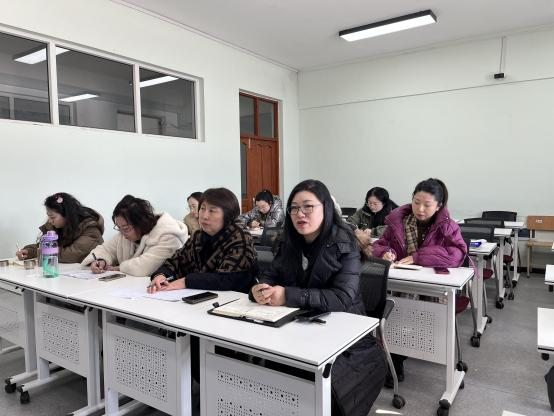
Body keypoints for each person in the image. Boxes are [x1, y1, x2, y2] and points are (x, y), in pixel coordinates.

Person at [250, 179, 386, 416]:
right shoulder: (288, 240)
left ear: (326, 208)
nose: (299, 214)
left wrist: (287, 295)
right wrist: (260, 289)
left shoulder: (345, 243)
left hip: (343, 333)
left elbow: (342, 298)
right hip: (297, 326)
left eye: (308, 207)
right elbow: (270, 274)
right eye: (294, 208)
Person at [372, 178, 467, 386]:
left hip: (433, 288)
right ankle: (395, 359)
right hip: (401, 285)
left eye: (427, 205)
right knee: (395, 312)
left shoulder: (448, 226)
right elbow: (379, 245)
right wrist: (386, 252)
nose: (420, 209)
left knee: (419, 314)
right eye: (416, 202)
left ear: (439, 206)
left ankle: (414, 353)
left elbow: (457, 254)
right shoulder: (398, 222)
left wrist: (419, 257)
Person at [148, 187, 257, 294]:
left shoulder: (240, 237)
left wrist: (186, 281)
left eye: (212, 211)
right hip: (198, 296)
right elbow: (176, 261)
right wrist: (162, 275)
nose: (204, 216)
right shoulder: (198, 236)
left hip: (235, 299)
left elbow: (228, 279)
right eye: (202, 208)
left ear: (228, 215)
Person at [81, 195, 188, 276]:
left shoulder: (168, 236)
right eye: (119, 228)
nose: (122, 233)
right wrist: (101, 261)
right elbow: (106, 249)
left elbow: (145, 267)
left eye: (125, 228)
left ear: (141, 223)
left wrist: (120, 268)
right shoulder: (126, 233)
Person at [17, 192, 104, 263]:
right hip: (65, 271)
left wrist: (42, 252)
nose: (50, 221)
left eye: (53, 217)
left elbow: (72, 254)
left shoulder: (91, 229)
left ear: (67, 215)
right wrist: (29, 252)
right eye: (48, 216)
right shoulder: (56, 226)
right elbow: (46, 246)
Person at [348, 187, 398, 257]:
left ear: (383, 203)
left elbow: (392, 228)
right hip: (365, 247)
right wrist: (357, 231)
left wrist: (373, 231)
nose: (371, 206)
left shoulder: (394, 213)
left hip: (386, 249)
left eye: (375, 203)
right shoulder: (362, 212)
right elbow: (349, 223)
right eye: (369, 203)